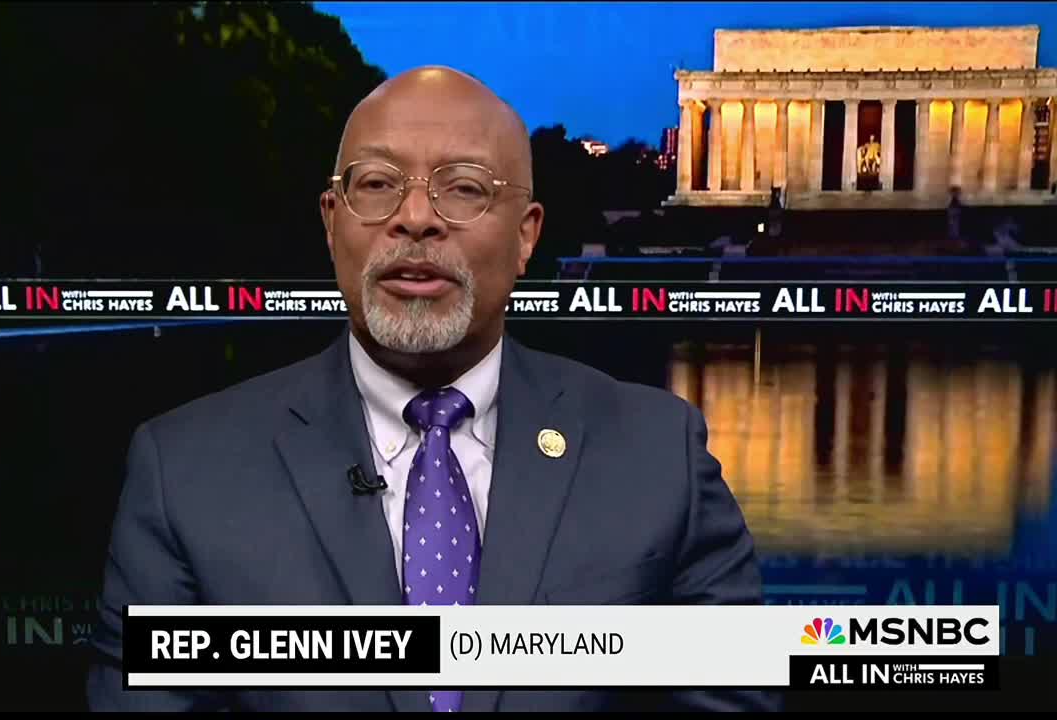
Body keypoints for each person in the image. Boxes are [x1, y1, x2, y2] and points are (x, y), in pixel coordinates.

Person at [87, 66, 776, 712]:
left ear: (526, 235)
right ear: (332, 222)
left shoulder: (661, 458)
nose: (415, 218)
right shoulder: (183, 474)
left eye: (465, 187)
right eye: (378, 184)